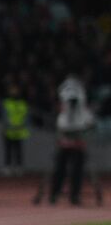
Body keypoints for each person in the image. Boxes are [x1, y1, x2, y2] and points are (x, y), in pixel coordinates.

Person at [48, 73, 94, 206]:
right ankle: (72, 195)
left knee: (62, 165)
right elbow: (75, 105)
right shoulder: (77, 90)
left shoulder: (65, 89)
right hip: (75, 130)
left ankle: (56, 194)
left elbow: (69, 104)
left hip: (68, 130)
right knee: (74, 166)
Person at [1, 84, 29, 175]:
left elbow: (26, 117)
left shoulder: (23, 104)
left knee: (18, 151)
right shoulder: (7, 103)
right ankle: (7, 167)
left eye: (15, 90)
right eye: (12, 90)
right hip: (9, 131)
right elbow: (4, 116)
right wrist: (8, 126)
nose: (14, 92)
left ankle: (19, 167)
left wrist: (22, 125)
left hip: (19, 131)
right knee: (8, 150)